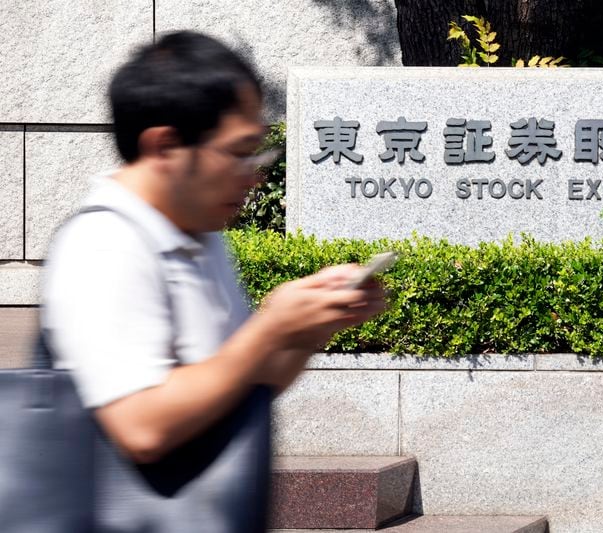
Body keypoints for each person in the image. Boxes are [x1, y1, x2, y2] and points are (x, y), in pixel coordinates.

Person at [40, 29, 385, 501]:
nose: (255, 174)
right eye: (239, 153)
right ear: (164, 148)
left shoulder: (201, 234)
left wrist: (308, 327)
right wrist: (268, 330)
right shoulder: (106, 244)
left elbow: (247, 384)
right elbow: (142, 427)